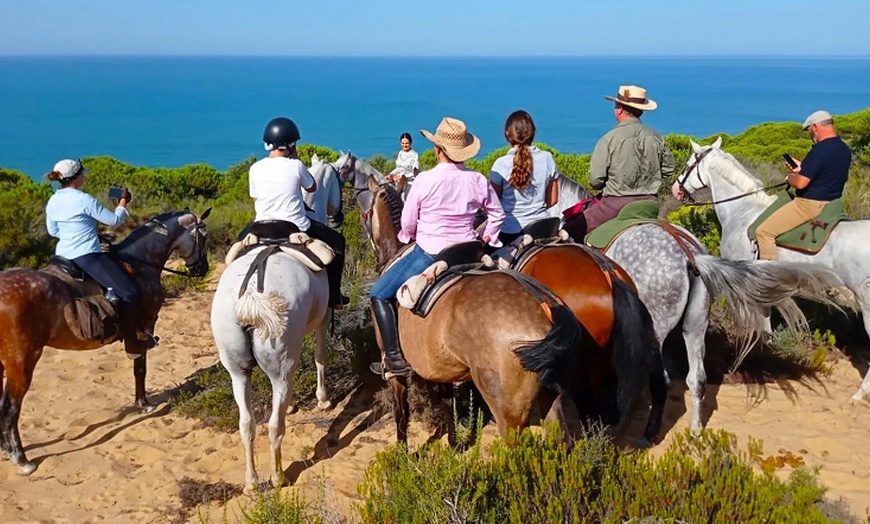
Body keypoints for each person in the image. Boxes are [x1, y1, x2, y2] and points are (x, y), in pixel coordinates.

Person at [369, 117, 505, 378]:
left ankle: (395, 360)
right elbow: (497, 215)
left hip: (431, 252)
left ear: (437, 149)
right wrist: (487, 237)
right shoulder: (477, 179)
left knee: (379, 293)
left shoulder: (425, 180)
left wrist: (407, 235)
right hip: (469, 252)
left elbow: (408, 221)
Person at [44, 159, 152, 344]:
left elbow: (53, 231)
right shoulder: (83, 199)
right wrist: (123, 202)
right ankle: (132, 341)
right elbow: (113, 221)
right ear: (76, 178)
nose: (84, 178)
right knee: (130, 292)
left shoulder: (53, 200)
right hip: (87, 255)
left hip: (61, 256)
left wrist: (72, 232)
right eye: (82, 175)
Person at [248, 116, 349, 307]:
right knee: (338, 243)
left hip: (261, 228)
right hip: (294, 227)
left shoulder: (255, 168)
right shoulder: (295, 165)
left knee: (239, 242)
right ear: (290, 145)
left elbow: (256, 197)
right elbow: (311, 188)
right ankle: (334, 296)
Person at [562, 85, 675, 242]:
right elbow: (669, 168)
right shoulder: (656, 136)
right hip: (650, 205)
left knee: (570, 229)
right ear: (641, 111)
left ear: (620, 110)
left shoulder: (609, 139)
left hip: (614, 206)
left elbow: (595, 181)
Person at [753, 110, 851, 260]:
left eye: (810, 130)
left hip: (808, 205)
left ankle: (771, 277)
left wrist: (789, 178)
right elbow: (827, 172)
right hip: (832, 203)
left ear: (816, 127)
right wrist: (802, 169)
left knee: (763, 232)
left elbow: (800, 183)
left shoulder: (819, 150)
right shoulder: (843, 149)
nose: (811, 134)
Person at [489, 110, 559, 245]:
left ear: (507, 134)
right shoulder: (547, 158)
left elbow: (494, 203)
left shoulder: (500, 164)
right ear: (533, 133)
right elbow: (553, 200)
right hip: (543, 228)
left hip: (510, 231)